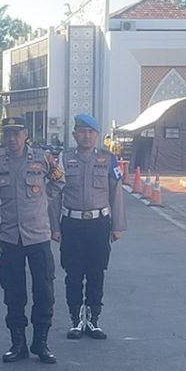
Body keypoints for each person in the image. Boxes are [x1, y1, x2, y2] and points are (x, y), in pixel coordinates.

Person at [0, 116, 64, 363]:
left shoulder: (42, 159)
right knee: (13, 292)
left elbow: (59, 180)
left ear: (26, 134)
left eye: (16, 133)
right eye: (8, 133)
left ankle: (41, 342)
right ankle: (18, 343)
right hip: (10, 237)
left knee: (44, 291)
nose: (12, 138)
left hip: (38, 235)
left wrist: (44, 201)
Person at [58, 112, 126, 340]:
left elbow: (116, 193)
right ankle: (76, 320)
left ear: (97, 135)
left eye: (90, 132)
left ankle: (94, 320)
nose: (86, 136)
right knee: (73, 273)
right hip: (72, 224)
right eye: (81, 131)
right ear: (74, 134)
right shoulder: (64, 159)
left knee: (96, 272)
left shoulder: (108, 159)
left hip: (99, 224)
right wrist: (54, 226)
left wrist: (118, 225)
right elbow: (55, 193)